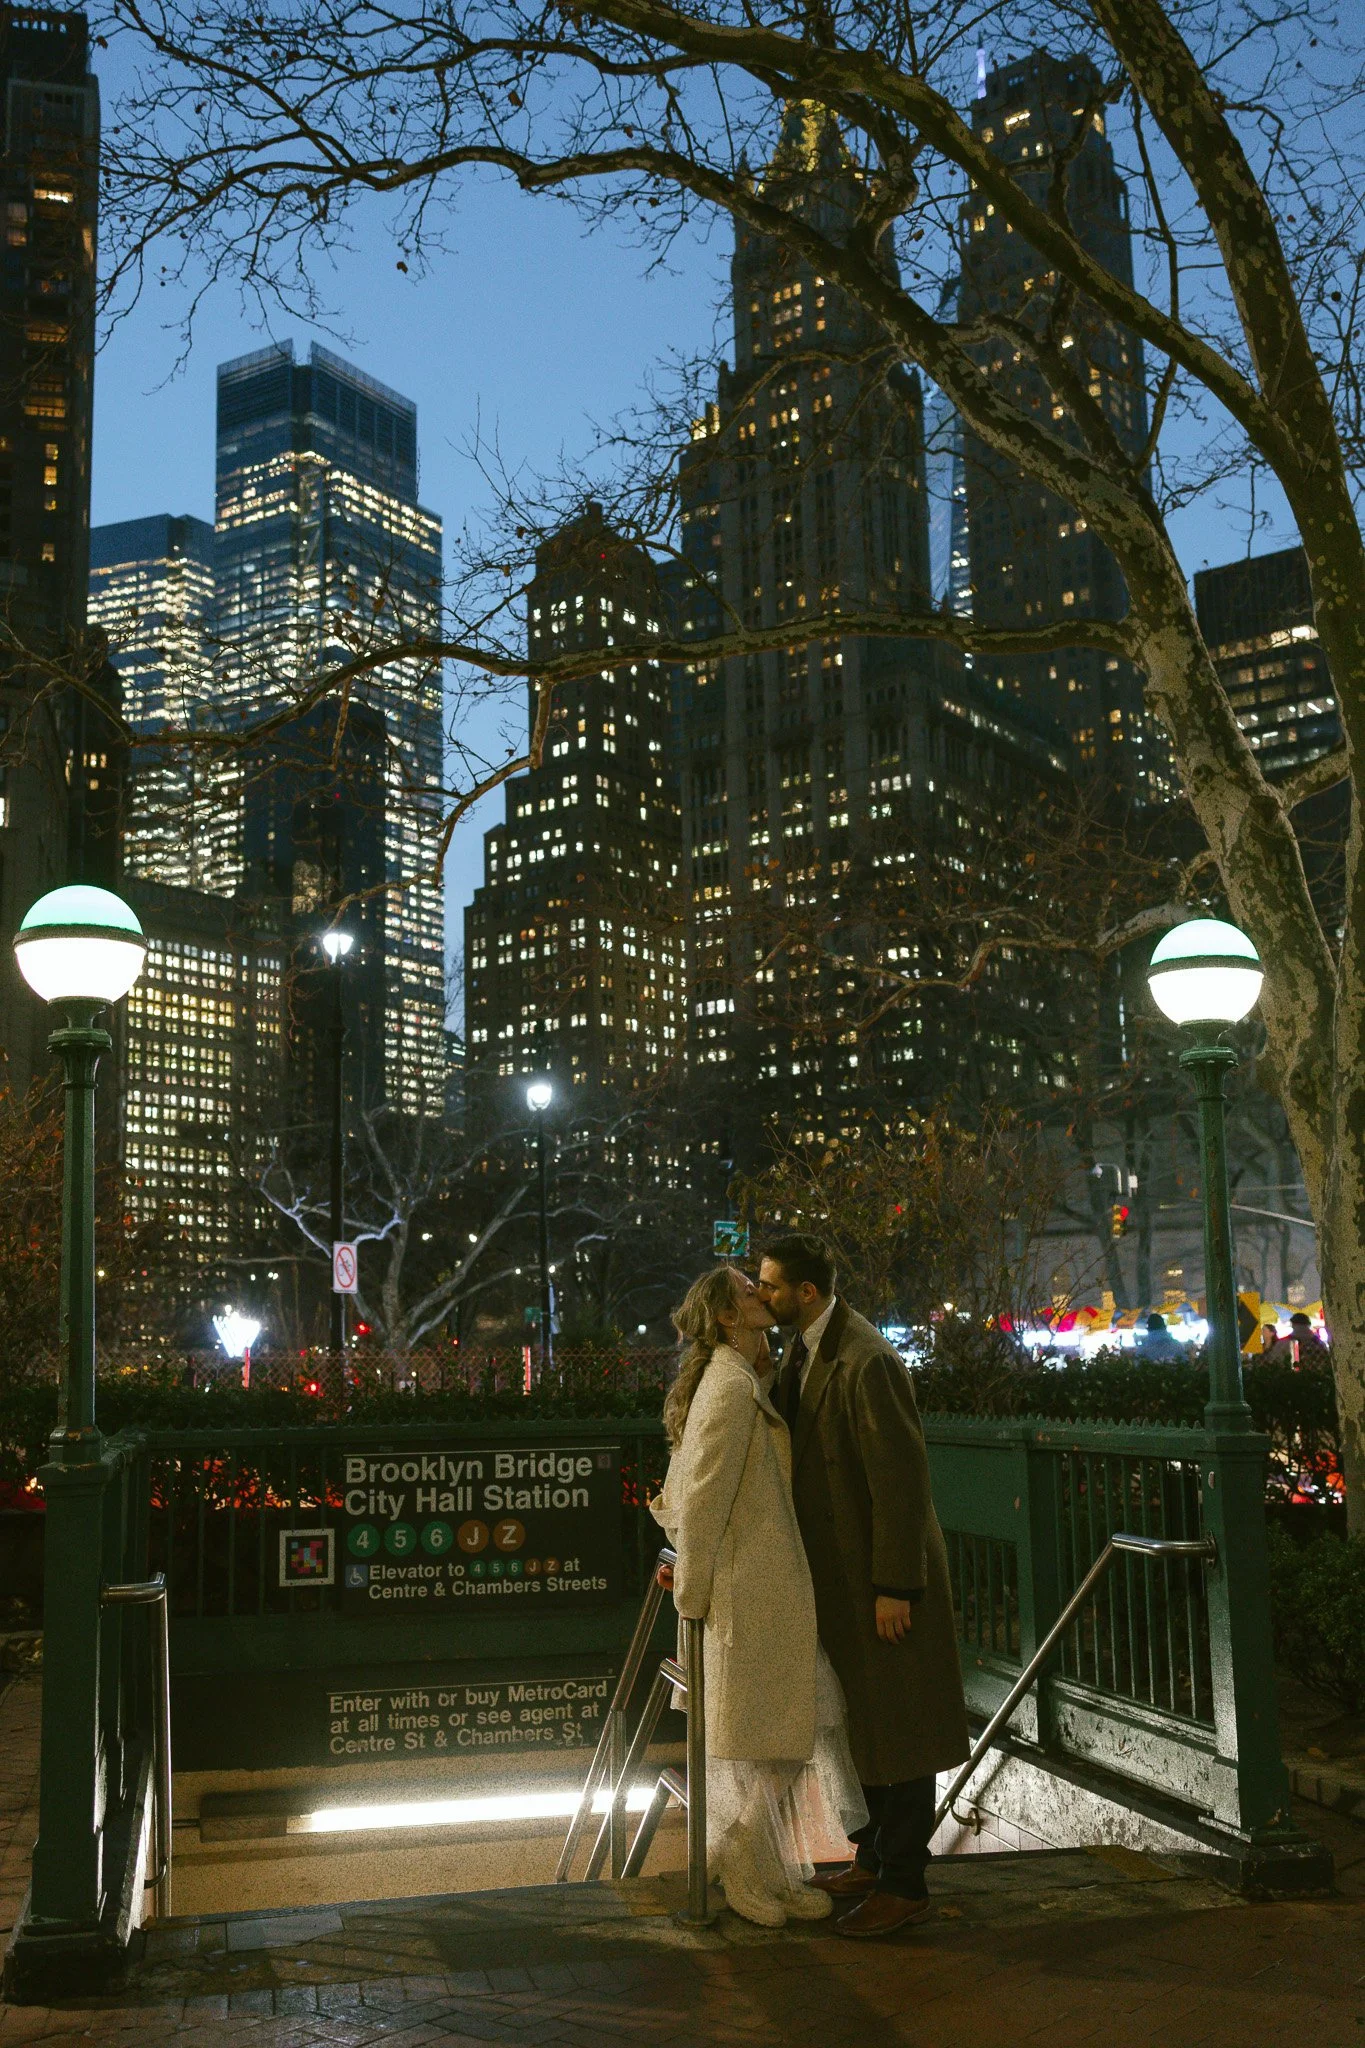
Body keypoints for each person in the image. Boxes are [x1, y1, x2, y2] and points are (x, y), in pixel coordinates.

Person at [757, 1234, 970, 1939]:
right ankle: (876, 1860)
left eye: (771, 1286)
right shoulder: (812, 1348)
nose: (764, 1296)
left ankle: (903, 1883)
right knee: (868, 1724)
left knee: (899, 1726)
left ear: (806, 1293)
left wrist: (895, 1587)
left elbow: (898, 1480)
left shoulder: (865, 1359)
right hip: (847, 1582)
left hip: (877, 1584)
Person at [649, 1265, 867, 1928]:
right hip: (752, 1596)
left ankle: (760, 1869)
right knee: (784, 1737)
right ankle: (746, 1866)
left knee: (778, 1738)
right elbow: (705, 1497)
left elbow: (697, 1490)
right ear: (723, 1315)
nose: (760, 1295)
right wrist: (691, 1586)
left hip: (763, 1593)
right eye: (748, 1292)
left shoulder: (735, 1379)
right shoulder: (727, 1387)